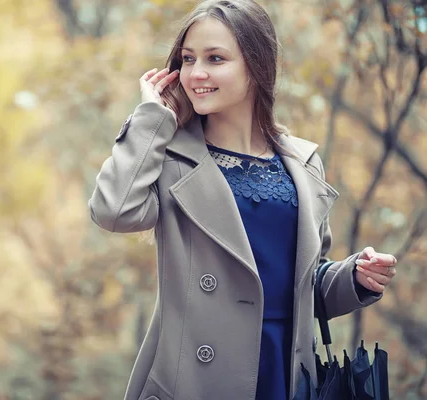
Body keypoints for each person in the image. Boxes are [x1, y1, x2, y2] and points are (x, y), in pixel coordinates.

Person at [88, 1, 398, 399]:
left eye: (215, 58)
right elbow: (113, 212)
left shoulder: (302, 163)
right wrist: (151, 117)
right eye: (188, 59)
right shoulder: (170, 158)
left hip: (285, 374)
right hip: (196, 381)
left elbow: (306, 287)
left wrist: (354, 277)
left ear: (256, 66)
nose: (196, 73)